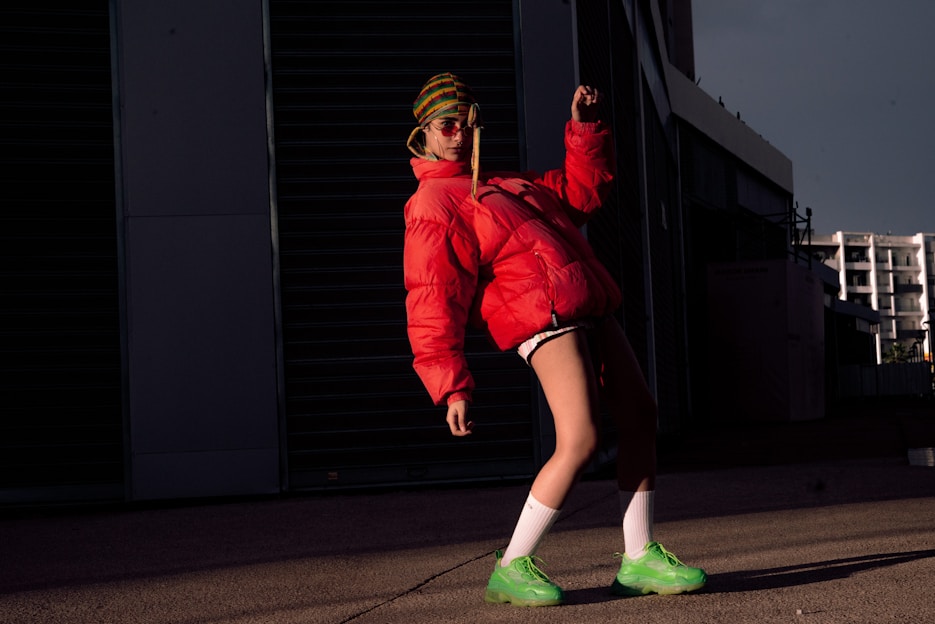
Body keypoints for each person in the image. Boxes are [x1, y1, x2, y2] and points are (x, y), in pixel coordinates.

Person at [403, 72, 706, 607]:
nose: (459, 134)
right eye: (446, 125)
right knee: (581, 438)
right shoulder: (433, 203)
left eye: (467, 122)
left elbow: (581, 195)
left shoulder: (507, 185)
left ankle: (639, 556)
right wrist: (451, 385)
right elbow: (432, 296)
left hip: (589, 307)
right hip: (543, 319)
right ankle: (511, 565)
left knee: (640, 415)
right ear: (423, 133)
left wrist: (584, 129)